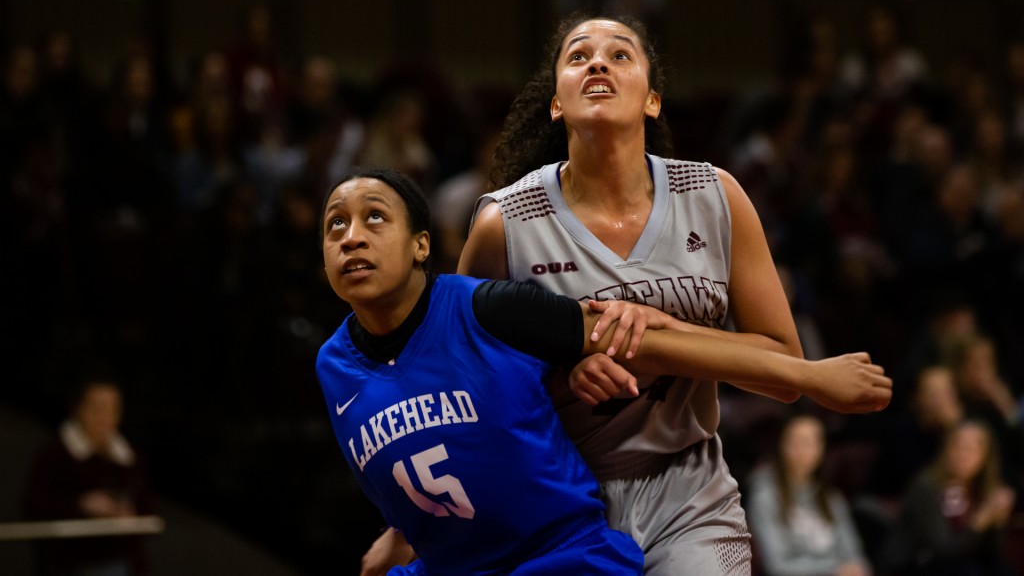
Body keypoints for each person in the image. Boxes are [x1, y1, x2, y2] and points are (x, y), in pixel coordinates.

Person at [363, 13, 881, 575]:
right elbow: (460, 390)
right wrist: (561, 374)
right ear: (557, 103)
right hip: (557, 497)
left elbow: (781, 364)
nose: (599, 63)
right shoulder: (504, 223)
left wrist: (657, 328)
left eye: (620, 54)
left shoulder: (715, 196)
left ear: (652, 101)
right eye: (579, 55)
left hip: (689, 492)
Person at [317, 168, 891, 576]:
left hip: (559, 556)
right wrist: (401, 535)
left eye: (373, 218)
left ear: (422, 245)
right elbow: (436, 449)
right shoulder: (333, 366)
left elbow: (653, 347)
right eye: (334, 226)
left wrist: (810, 376)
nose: (352, 237)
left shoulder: (487, 306)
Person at [21, 375, 157, 576]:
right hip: (72, 561)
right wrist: (81, 504)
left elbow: (148, 508)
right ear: (78, 409)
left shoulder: (128, 457)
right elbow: (32, 503)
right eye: (97, 409)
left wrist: (128, 514)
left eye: (113, 410)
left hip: (124, 560)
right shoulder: (56, 453)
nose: (105, 418)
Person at [879, 419, 1018, 576]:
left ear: (986, 457)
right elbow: (944, 549)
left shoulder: (983, 489)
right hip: (916, 564)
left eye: (972, 448)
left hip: (958, 564)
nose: (963, 454)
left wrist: (999, 520)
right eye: (957, 445)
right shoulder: (927, 486)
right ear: (946, 448)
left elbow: (991, 554)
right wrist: (980, 520)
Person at [745, 413, 873, 576]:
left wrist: (857, 569)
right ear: (782, 445)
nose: (801, 449)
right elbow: (777, 565)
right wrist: (835, 570)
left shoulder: (830, 496)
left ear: (822, 449)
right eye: (795, 441)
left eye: (810, 442)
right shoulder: (765, 495)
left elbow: (854, 554)